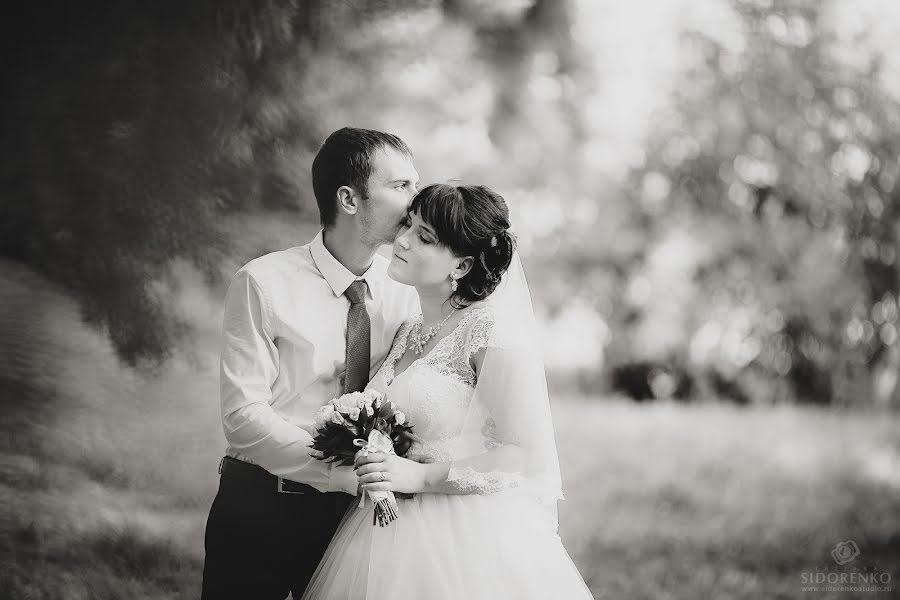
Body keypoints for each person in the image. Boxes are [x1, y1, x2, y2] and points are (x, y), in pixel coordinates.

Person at [302, 183, 594, 599]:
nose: (401, 240)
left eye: (424, 238)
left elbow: (520, 453)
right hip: (384, 530)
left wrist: (418, 475)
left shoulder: (490, 331)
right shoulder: (408, 332)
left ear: (461, 267)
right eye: (408, 225)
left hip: (467, 535)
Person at [201, 127, 421, 599]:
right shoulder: (263, 282)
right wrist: (343, 473)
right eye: (401, 186)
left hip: (357, 521)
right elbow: (242, 418)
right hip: (261, 506)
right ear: (349, 198)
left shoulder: (408, 293)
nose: (415, 201)